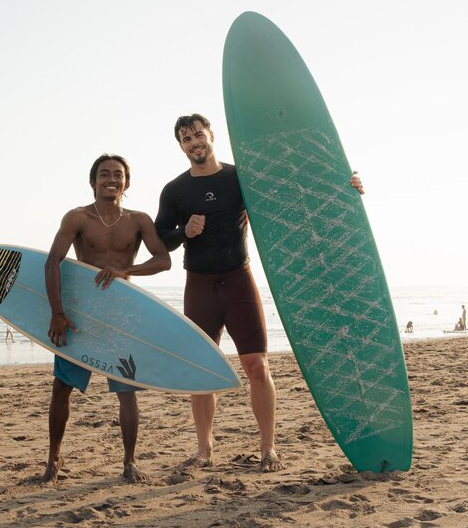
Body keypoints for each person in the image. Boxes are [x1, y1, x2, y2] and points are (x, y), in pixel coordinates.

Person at [155, 113, 363, 474]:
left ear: (212, 136)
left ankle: (268, 449)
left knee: (257, 366)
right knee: (201, 369)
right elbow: (160, 239)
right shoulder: (175, 190)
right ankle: (204, 450)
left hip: (239, 279)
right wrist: (184, 232)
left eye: (198, 135)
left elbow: (293, 196)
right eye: (186, 139)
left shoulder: (241, 179)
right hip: (200, 285)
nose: (194, 143)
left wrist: (343, 184)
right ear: (180, 146)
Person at [42, 153, 171, 484]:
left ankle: (129, 463)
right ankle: (53, 461)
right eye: (104, 174)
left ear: (127, 182)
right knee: (62, 387)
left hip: (121, 316)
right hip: (81, 314)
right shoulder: (77, 218)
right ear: (92, 181)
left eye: (117, 174)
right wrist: (57, 313)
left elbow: (163, 260)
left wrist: (127, 270)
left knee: (126, 391)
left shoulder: (139, 220)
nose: (110, 179)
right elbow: (52, 263)